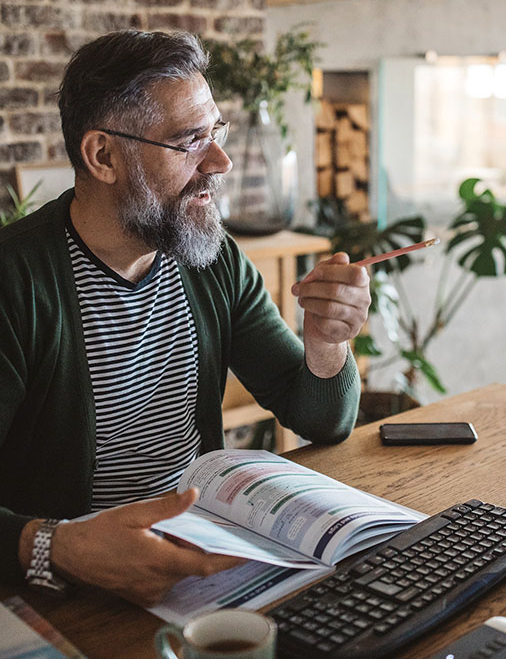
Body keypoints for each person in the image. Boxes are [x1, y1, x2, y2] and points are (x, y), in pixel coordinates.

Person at [0, 31, 371, 606]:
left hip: (199, 562)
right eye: (189, 140)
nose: (219, 161)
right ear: (103, 155)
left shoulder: (209, 257)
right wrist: (58, 547)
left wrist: (325, 343)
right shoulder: (16, 281)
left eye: (214, 131)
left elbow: (320, 419)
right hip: (64, 589)